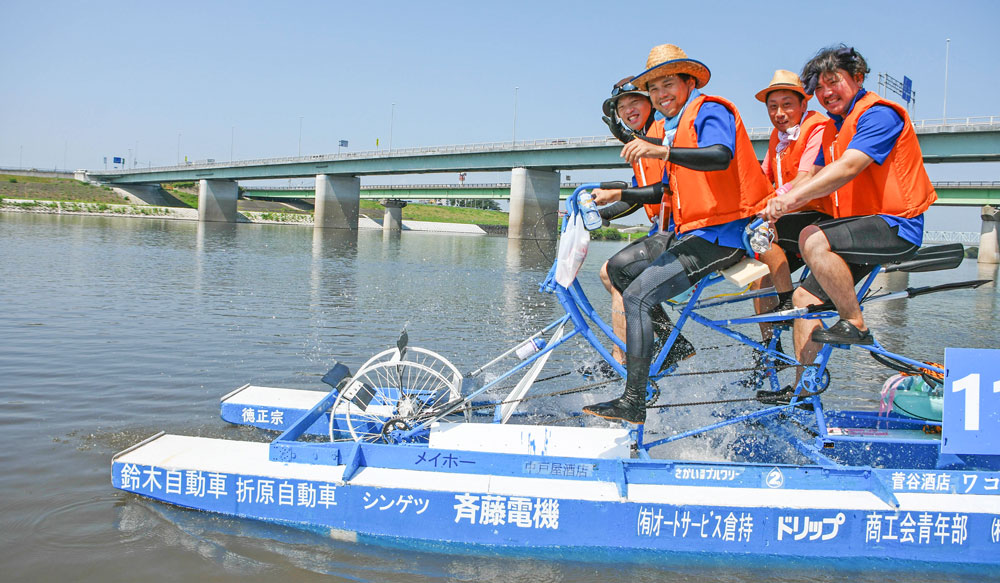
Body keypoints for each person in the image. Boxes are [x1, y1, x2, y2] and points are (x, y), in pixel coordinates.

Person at [583, 44, 773, 424]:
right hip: (691, 232)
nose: (661, 94)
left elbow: (720, 155)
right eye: (654, 88)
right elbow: (661, 191)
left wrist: (663, 151)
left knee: (637, 297)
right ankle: (672, 346)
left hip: (724, 235)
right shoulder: (670, 128)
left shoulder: (710, 110)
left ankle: (633, 401)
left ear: (689, 82)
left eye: (668, 84)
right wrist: (610, 201)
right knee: (618, 269)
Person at [761, 45, 937, 371]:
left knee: (813, 238)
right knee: (804, 300)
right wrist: (769, 207)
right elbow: (810, 176)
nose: (827, 93)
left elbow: (848, 167)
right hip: (859, 229)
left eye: (834, 82)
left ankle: (855, 323)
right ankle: (802, 393)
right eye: (819, 88)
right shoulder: (831, 128)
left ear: (857, 78)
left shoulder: (879, 114)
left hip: (896, 225)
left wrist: (788, 201)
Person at [588, 77, 695, 373]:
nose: (628, 110)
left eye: (635, 102)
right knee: (614, 276)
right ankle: (667, 344)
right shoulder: (642, 141)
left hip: (680, 230)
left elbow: (661, 189)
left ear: (650, 102)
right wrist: (605, 215)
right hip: (660, 229)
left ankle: (623, 357)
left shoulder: (663, 136)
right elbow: (638, 196)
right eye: (621, 107)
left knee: (613, 272)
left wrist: (618, 193)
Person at [750, 71, 832, 345]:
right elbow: (762, 178)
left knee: (761, 233)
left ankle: (786, 302)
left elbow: (807, 177)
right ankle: (769, 351)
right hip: (788, 216)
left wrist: (775, 201)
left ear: (803, 105)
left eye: (787, 104)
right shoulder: (777, 136)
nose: (779, 112)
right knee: (758, 279)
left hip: (818, 214)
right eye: (773, 107)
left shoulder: (817, 127)